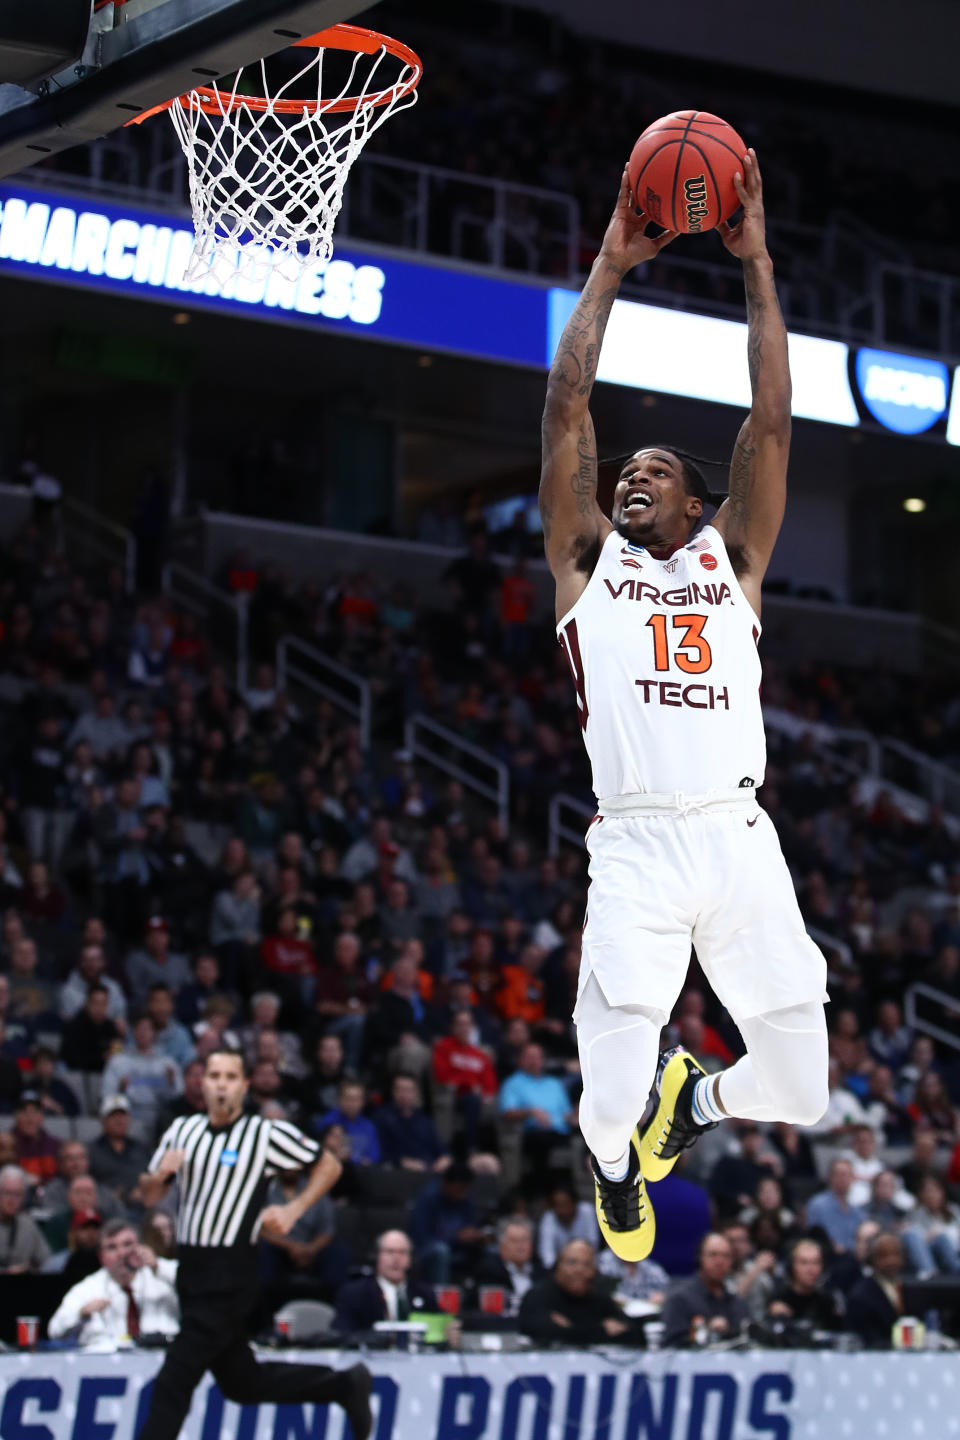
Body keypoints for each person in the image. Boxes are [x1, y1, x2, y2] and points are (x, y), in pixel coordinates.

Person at [539, 152, 828, 1260]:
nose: (631, 475)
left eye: (656, 468)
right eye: (624, 468)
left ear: (701, 504)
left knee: (802, 1090)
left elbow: (775, 414)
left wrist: (755, 264)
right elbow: (569, 405)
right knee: (604, 1106)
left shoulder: (736, 561)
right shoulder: (585, 561)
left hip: (740, 836)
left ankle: (691, 1107)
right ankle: (616, 1160)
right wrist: (613, 258)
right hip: (641, 845)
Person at [134, 1047, 372, 1440]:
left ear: (244, 1086)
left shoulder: (264, 1134)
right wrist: (159, 1176)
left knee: (173, 1381)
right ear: (202, 1083)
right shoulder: (182, 1130)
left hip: (231, 1271)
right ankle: (344, 1385)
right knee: (243, 1384)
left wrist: (294, 1210)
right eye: (214, 1076)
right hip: (191, 1269)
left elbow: (329, 1165)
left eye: (230, 1077)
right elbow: (146, 1196)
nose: (221, 1085)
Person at [48, 1219, 180, 1343]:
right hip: (107, 1365)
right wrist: (81, 1313)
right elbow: (54, 1330)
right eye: (112, 1247)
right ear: (101, 1257)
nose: (121, 1253)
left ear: (141, 1247)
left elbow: (195, 1285)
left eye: (127, 1244)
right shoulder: (88, 1288)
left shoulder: (161, 1274)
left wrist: (158, 1266)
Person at [518, 1238, 635, 1345]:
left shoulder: (600, 1298)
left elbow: (632, 1334)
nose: (579, 1270)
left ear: (594, 1271)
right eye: (572, 1262)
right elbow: (539, 1331)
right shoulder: (537, 1295)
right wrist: (600, 1329)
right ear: (558, 1264)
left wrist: (570, 1328)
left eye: (587, 1264)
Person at [333, 1228, 437, 1333]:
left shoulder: (425, 1293)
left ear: (411, 1259)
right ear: (377, 1256)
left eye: (402, 1252)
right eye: (389, 1252)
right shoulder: (354, 1294)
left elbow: (437, 1333)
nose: (396, 1258)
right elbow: (341, 1334)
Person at [660, 1232, 749, 1347]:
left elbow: (746, 1341)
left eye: (726, 1256)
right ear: (700, 1257)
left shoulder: (737, 1302)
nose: (719, 1262)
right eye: (713, 1255)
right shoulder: (680, 1298)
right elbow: (670, 1346)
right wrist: (705, 1333)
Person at [470, 1217, 542, 1317]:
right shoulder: (488, 1271)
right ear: (501, 1246)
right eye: (514, 1241)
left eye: (525, 1240)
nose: (521, 1246)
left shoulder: (541, 1271)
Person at [766, 1238, 842, 1330]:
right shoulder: (778, 1300)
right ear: (792, 1266)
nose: (811, 1269)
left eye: (816, 1262)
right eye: (804, 1263)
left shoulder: (828, 1302)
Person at [846, 1232, 906, 1347]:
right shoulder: (860, 1296)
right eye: (884, 1255)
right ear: (872, 1258)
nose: (891, 1261)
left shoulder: (910, 1288)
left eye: (896, 1254)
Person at [806, 1158, 867, 1253]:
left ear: (853, 1178)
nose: (842, 1178)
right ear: (829, 1177)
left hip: (853, 1258)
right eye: (838, 1174)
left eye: (846, 1175)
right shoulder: (817, 1204)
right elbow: (812, 1237)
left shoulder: (857, 1210)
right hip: (827, 1256)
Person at [0, 1164, 50, 1272]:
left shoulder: (28, 1225)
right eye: (7, 1193)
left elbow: (47, 1263)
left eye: (17, 1194)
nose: (11, 1200)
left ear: (24, 1196)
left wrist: (29, 1269)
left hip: (21, 1284)